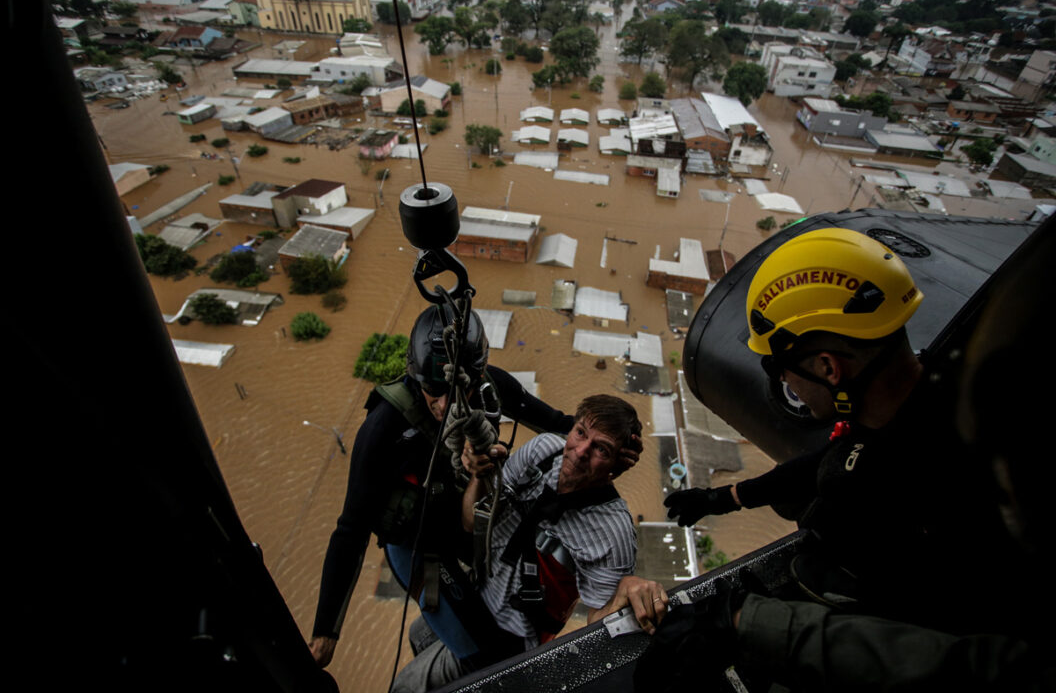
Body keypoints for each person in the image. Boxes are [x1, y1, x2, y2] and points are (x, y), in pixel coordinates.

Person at [636, 221, 1056, 692]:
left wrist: (750, 625)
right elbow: (829, 461)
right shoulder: (912, 406)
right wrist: (724, 497)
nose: (784, 384)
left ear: (827, 367)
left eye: (778, 368)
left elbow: (924, 648)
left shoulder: (940, 490)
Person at [310, 305, 640, 671]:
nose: (445, 404)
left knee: (488, 632)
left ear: (478, 373)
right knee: (487, 660)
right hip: (418, 544)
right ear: (415, 377)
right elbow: (351, 529)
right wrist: (326, 632)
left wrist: (619, 448)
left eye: (460, 389)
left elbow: (561, 426)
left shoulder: (489, 388)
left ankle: (435, 644)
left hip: (469, 528)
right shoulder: (384, 426)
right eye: (434, 390)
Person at [393, 394, 668, 692]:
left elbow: (598, 628)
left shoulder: (613, 532)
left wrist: (624, 592)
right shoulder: (542, 452)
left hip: (507, 641)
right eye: (580, 433)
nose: (580, 452)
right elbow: (472, 523)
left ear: (617, 465)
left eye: (601, 449)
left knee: (406, 687)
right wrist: (479, 475)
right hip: (476, 592)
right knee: (420, 635)